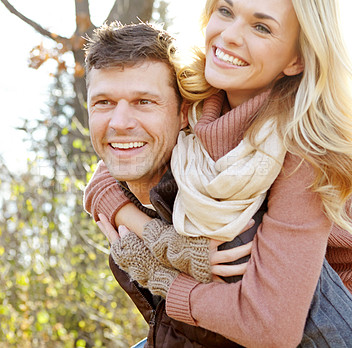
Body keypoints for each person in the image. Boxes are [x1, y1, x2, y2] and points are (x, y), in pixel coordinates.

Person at [86, 0, 352, 346]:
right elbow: (114, 160)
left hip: (325, 321)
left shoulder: (304, 148)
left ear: (296, 58)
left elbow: (272, 327)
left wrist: (163, 276)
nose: (229, 36)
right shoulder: (198, 95)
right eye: (225, 11)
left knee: (233, 231)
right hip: (231, 317)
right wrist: (155, 234)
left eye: (261, 27)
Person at [83, 21, 255, 347]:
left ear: (183, 113)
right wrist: (149, 234)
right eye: (103, 102)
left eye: (143, 102)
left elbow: (246, 332)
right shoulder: (125, 202)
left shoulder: (213, 194)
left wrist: (156, 271)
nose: (119, 124)